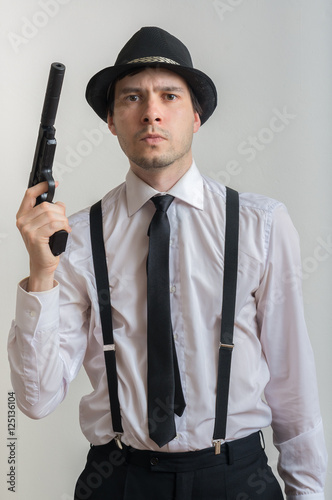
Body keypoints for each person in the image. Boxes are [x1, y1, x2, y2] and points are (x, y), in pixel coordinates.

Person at [8, 26, 327, 500]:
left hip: (236, 477)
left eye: (169, 96)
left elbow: (292, 386)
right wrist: (41, 273)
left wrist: (309, 492)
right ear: (112, 121)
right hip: (119, 480)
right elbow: (35, 399)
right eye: (132, 97)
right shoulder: (75, 240)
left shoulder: (261, 225)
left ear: (196, 116)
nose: (151, 112)